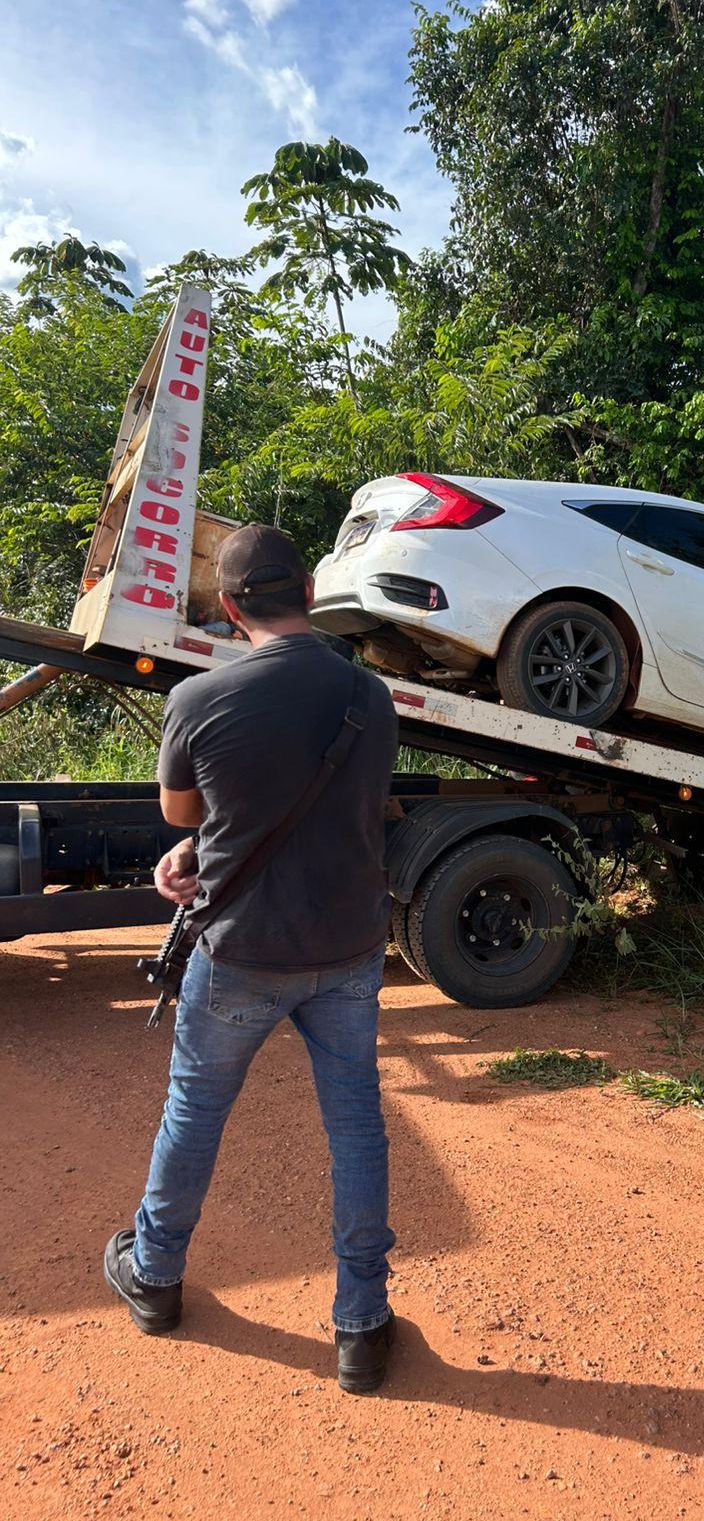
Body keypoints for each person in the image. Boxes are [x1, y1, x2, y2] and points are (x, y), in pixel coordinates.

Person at [103, 524, 401, 1393]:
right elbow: (343, 807)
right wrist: (207, 846)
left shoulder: (200, 698)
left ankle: (155, 1279)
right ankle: (361, 1324)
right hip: (346, 950)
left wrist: (195, 853)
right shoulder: (370, 697)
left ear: (230, 607)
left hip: (239, 951)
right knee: (356, 1129)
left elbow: (182, 810)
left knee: (194, 1114)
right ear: (309, 592)